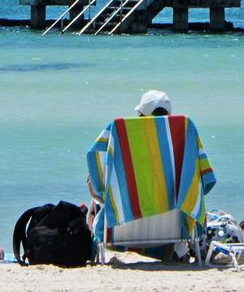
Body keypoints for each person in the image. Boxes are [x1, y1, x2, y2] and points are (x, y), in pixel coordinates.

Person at [86, 90, 216, 261]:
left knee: (102, 195)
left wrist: (96, 192)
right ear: (169, 116)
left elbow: (94, 161)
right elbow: (205, 181)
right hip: (175, 231)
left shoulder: (121, 136)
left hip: (117, 232)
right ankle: (172, 249)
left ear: (140, 115)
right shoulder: (185, 135)